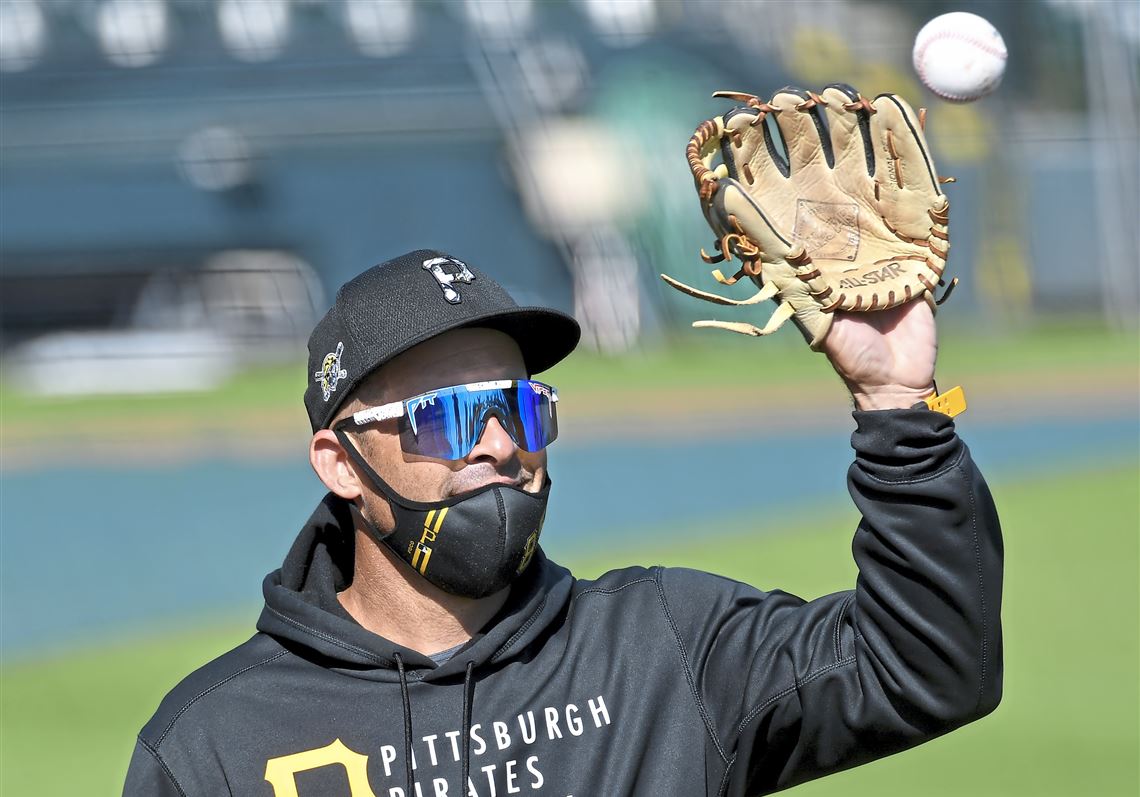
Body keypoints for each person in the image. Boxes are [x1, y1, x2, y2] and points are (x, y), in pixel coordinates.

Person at [123, 248, 1002, 797]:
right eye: (447, 416)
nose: (500, 442)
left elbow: (926, 669)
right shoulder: (215, 740)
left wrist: (898, 405)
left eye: (522, 407)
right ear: (339, 460)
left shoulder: (667, 647)